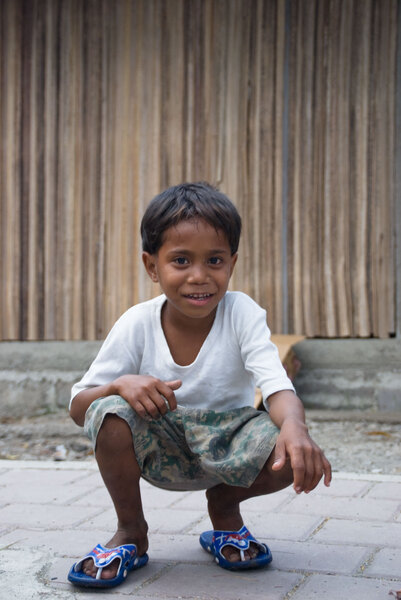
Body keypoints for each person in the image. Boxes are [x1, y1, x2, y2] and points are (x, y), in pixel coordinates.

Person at [67, 182, 331, 589]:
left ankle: (225, 507)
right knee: (108, 411)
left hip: (230, 445)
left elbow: (276, 384)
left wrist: (297, 427)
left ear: (232, 263)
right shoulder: (136, 322)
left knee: (293, 443)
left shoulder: (242, 312)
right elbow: (79, 406)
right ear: (152, 267)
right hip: (161, 443)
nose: (199, 276)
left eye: (214, 260)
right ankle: (131, 532)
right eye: (180, 260)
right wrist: (118, 385)